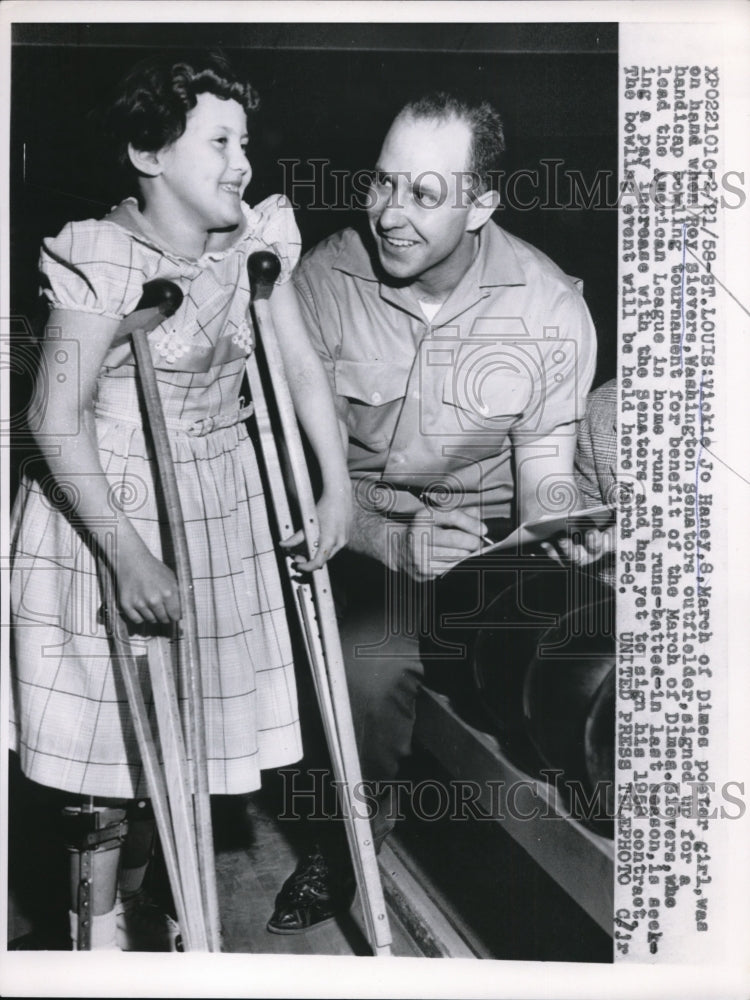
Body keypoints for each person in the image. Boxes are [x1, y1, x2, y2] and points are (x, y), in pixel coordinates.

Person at [9, 52, 351, 951]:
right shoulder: (99, 253)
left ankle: (169, 895)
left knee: (186, 741)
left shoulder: (254, 242)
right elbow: (52, 416)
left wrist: (336, 482)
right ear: (148, 154)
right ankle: (101, 925)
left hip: (217, 501)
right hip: (107, 505)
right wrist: (125, 554)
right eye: (218, 141)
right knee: (107, 758)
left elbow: (302, 370)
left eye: (245, 141)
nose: (242, 162)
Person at [268, 92, 597, 933]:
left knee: (586, 644)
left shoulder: (549, 303)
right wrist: (386, 537)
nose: (389, 216)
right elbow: (294, 474)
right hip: (367, 536)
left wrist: (565, 534)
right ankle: (350, 843)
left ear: (482, 204)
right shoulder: (319, 284)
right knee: (369, 664)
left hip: (486, 546)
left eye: (424, 194)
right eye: (382, 185)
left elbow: (545, 486)